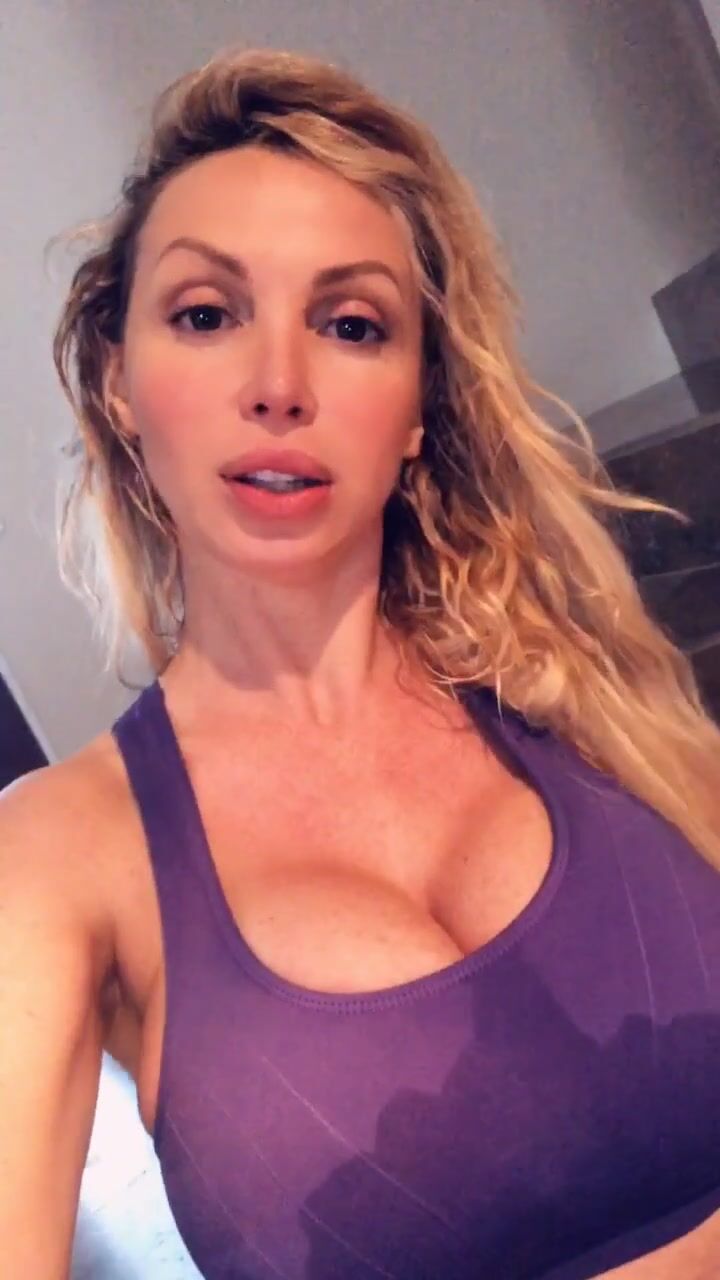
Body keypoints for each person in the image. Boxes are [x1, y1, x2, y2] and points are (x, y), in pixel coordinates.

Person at [1, 43, 719, 1280]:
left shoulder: (585, 690)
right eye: (207, 314)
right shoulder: (58, 855)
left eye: (350, 324)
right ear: (117, 380)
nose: (279, 384)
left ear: (421, 402)